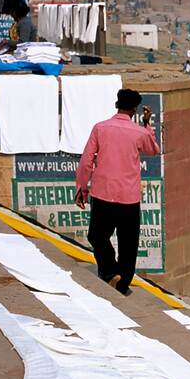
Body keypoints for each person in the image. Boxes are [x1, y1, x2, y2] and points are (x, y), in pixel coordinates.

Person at [74, 88, 160, 296]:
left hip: (103, 193)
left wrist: (81, 187)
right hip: (129, 197)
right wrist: (147, 124)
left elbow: (86, 161)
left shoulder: (100, 128)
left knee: (97, 235)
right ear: (134, 109)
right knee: (128, 243)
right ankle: (122, 285)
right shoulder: (139, 132)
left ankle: (110, 271)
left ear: (117, 104)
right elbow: (153, 150)